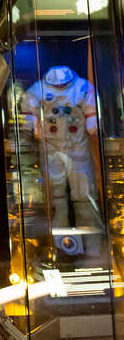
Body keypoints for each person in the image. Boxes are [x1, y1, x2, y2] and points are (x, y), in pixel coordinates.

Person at [22, 66, 99, 253]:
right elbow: (27, 107)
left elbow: (92, 118)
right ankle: (61, 246)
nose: (61, 88)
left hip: (77, 148)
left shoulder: (81, 87)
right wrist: (32, 125)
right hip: (52, 149)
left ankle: (92, 246)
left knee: (83, 197)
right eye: (57, 86)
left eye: (64, 85)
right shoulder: (39, 89)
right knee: (57, 200)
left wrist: (92, 120)